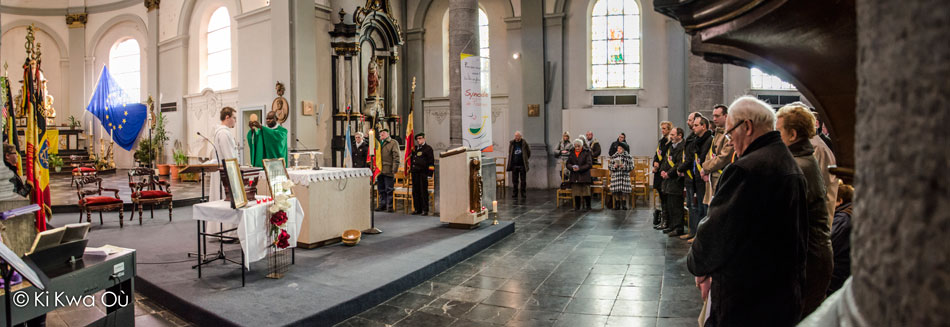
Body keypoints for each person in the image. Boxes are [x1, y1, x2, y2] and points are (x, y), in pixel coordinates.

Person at [688, 96, 808, 326]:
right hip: (781, 294)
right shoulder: (786, 161)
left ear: (748, 126)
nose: (730, 140)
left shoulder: (747, 168)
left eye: (731, 131)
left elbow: (718, 229)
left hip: (746, 298)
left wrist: (698, 265)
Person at [776, 104, 832, 316]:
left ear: (792, 134)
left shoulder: (799, 166)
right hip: (809, 256)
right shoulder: (799, 159)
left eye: (778, 130)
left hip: (810, 259)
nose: (776, 136)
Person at [680, 116, 712, 240]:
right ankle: (693, 232)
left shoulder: (709, 140)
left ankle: (700, 236)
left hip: (703, 177)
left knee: (703, 208)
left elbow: (703, 157)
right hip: (694, 177)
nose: (693, 127)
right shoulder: (696, 140)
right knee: (694, 207)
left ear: (703, 126)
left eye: (696, 125)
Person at [702, 104, 734, 210]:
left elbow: (724, 157)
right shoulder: (718, 132)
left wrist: (706, 167)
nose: (714, 119)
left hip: (721, 176)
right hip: (712, 175)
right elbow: (710, 153)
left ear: (726, 116)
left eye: (717, 116)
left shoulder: (729, 134)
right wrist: (705, 169)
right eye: (713, 116)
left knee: (720, 209)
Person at [828, 181, 853, 295]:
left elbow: (829, 243)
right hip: (845, 270)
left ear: (839, 201)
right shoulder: (851, 212)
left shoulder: (843, 217)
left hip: (837, 271)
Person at [661, 127, 686, 236]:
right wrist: (662, 170)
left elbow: (678, 163)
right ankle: (671, 226)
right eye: (670, 135)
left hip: (676, 180)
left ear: (679, 136)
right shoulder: (671, 146)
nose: (670, 137)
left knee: (676, 206)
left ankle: (678, 227)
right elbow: (666, 160)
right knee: (670, 205)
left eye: (673, 134)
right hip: (668, 181)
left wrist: (669, 174)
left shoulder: (682, 147)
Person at [375, 129, 401, 212]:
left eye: (383, 133)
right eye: (380, 133)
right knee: (381, 189)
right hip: (380, 170)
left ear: (387, 134)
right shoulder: (378, 143)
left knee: (389, 189)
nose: (381, 134)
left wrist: (394, 169)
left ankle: (389, 206)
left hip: (388, 169)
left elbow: (396, 156)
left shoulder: (393, 142)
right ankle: (382, 204)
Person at [653, 121, 672, 228]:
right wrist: (654, 162)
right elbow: (657, 154)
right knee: (661, 197)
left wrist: (659, 165)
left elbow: (666, 157)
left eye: (665, 128)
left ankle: (667, 221)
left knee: (665, 198)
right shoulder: (661, 141)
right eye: (662, 128)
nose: (663, 130)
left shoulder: (669, 143)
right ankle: (663, 220)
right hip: (658, 171)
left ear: (669, 130)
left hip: (664, 171)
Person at [410, 133, 434, 215]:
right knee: (415, 191)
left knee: (423, 192)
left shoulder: (428, 148)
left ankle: (425, 209)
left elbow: (431, 162)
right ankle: (417, 209)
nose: (418, 140)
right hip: (415, 173)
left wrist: (430, 174)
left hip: (423, 173)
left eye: (420, 138)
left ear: (424, 139)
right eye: (417, 139)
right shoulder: (415, 149)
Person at [566, 139, 593, 210]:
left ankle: (588, 206)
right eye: (575, 146)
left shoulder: (586, 152)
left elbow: (589, 164)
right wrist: (572, 167)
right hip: (575, 175)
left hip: (584, 174)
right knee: (576, 190)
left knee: (586, 191)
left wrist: (580, 168)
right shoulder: (572, 152)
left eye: (578, 146)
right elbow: (568, 163)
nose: (577, 148)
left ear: (581, 146)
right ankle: (577, 206)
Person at [608, 142, 633, 210]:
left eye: (620, 148)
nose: (618, 150)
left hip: (624, 175)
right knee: (616, 191)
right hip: (616, 175)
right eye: (618, 148)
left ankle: (624, 204)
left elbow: (631, 167)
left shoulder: (628, 156)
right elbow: (609, 166)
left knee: (624, 191)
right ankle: (617, 203)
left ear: (624, 149)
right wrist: (614, 166)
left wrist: (624, 166)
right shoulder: (614, 156)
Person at [506, 131, 531, 199]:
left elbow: (528, 152)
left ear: (520, 136)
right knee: (515, 180)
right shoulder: (512, 143)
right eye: (515, 136)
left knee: (523, 180)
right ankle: (515, 193)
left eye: (517, 136)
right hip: (514, 164)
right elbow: (510, 152)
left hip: (522, 164)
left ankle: (523, 193)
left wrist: (525, 159)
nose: (516, 137)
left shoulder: (524, 143)